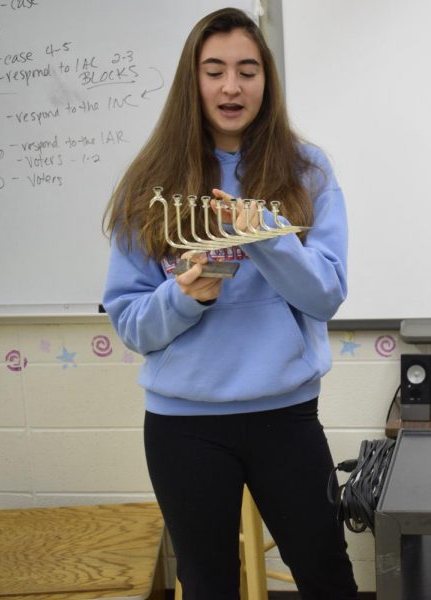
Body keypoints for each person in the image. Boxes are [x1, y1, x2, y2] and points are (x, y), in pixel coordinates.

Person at [101, 7, 358, 599]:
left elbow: (325, 294)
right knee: (209, 584)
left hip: (285, 415)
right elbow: (134, 324)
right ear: (192, 81)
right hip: (183, 426)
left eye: (247, 70)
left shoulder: (306, 170)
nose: (231, 86)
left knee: (326, 573)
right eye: (214, 70)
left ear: (267, 81)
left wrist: (266, 237)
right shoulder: (151, 182)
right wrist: (183, 297)